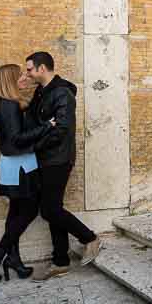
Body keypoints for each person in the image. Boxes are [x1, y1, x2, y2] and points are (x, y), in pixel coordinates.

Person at [25, 51, 102, 279]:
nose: (27, 73)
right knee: (52, 208)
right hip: (43, 158)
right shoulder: (40, 92)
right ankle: (60, 261)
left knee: (49, 209)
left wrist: (36, 142)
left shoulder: (63, 94)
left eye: (29, 69)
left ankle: (90, 238)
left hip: (58, 159)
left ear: (42, 68)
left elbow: (61, 129)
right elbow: (31, 122)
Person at [0, 64, 52, 284]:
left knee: (16, 212)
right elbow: (17, 139)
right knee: (29, 211)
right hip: (19, 167)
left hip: (17, 165)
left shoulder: (7, 103)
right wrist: (47, 126)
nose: (24, 77)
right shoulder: (8, 105)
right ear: (10, 80)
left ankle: (13, 259)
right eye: (19, 75)